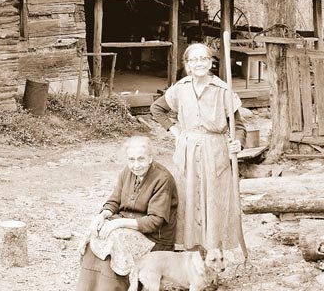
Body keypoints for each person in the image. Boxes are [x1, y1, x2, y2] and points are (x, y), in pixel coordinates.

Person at [149, 42, 246, 254]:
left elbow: (238, 126)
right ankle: (192, 257)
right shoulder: (180, 88)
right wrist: (175, 131)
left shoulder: (222, 90)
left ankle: (213, 255)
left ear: (211, 62)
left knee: (214, 201)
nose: (199, 63)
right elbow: (156, 109)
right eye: (194, 60)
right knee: (188, 199)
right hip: (188, 151)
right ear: (187, 65)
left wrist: (238, 141)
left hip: (215, 152)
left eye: (204, 59)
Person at [77, 136, 178, 291]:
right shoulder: (127, 171)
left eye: (141, 159)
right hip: (128, 226)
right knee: (95, 234)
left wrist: (117, 223)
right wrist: (102, 215)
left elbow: (154, 221)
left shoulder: (162, 178)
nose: (135, 165)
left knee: (113, 240)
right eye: (131, 159)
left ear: (150, 158)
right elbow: (114, 200)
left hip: (154, 238)